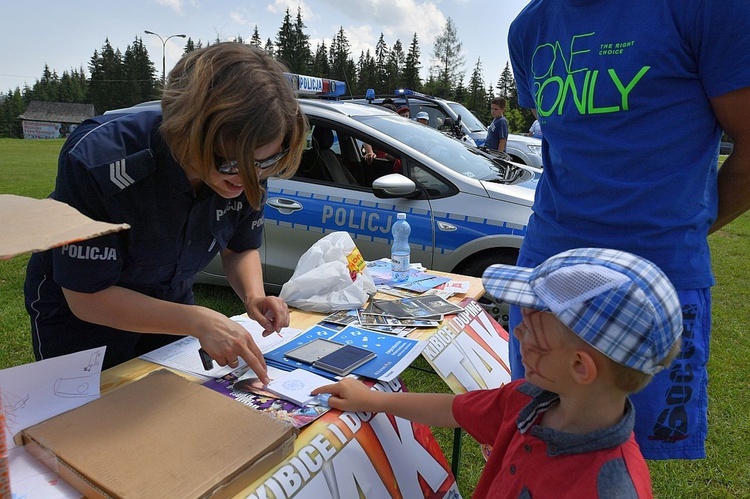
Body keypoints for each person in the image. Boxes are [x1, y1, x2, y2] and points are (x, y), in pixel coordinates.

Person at [507, 0, 750, 460]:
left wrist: (680, 229)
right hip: (546, 272)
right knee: (537, 436)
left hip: (657, 280)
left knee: (625, 455)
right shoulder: (530, 27)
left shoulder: (710, 9)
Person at [23, 42, 308, 380]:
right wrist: (197, 320)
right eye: (231, 164)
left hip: (169, 296)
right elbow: (86, 297)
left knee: (167, 400)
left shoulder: (249, 168)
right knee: (86, 417)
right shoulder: (97, 159)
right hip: (80, 318)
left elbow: (240, 246)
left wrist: (254, 296)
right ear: (188, 131)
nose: (248, 181)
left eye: (267, 162)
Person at [313, 247, 683, 498]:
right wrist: (371, 399)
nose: (517, 331)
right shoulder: (527, 400)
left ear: (579, 367)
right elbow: (453, 410)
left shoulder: (613, 487)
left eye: (533, 327)